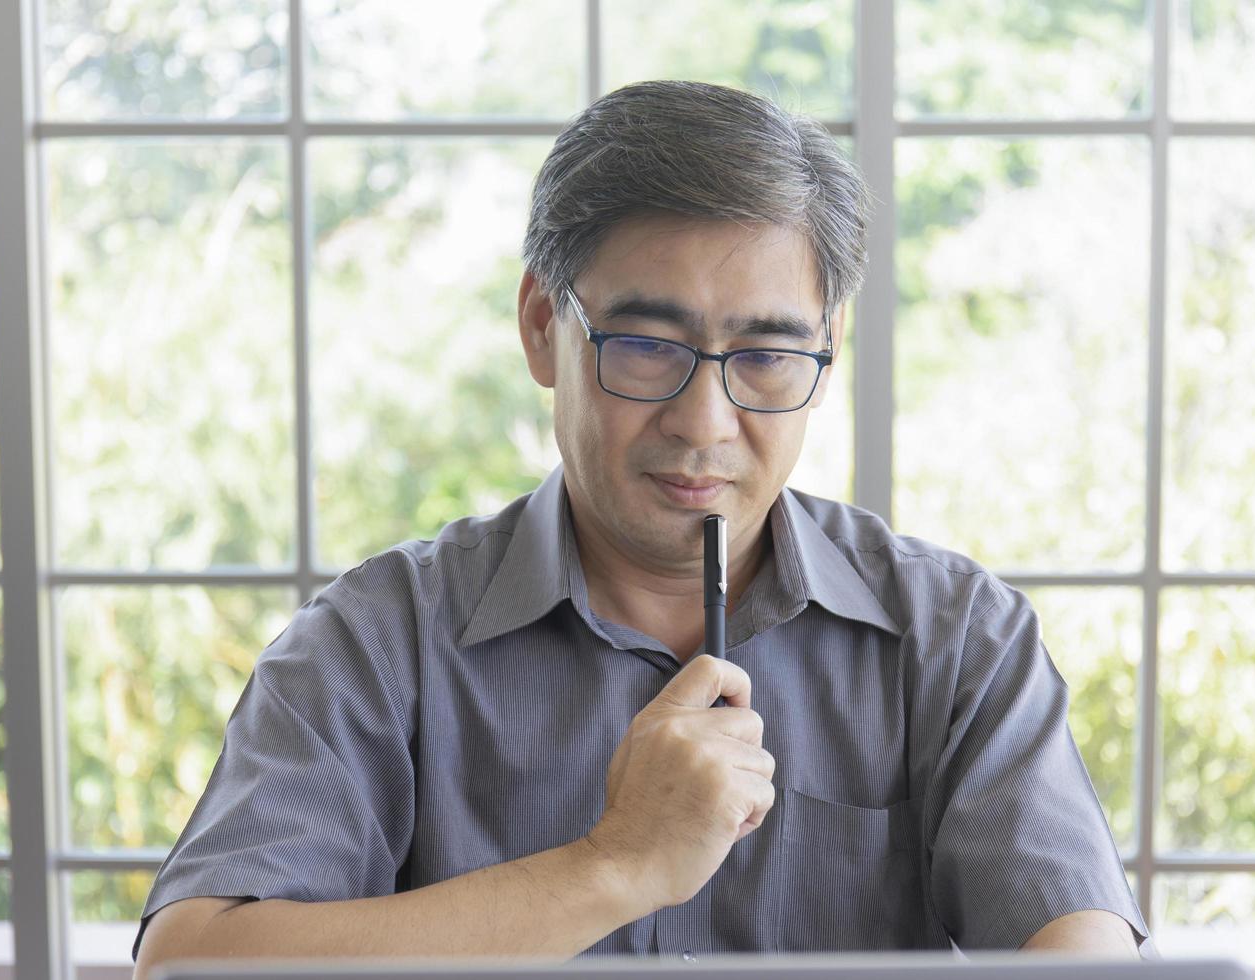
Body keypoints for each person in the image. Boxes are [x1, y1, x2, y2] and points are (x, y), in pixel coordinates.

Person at [132, 79, 1152, 974]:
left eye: (765, 356)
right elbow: (190, 962)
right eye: (645, 344)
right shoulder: (378, 640)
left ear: (827, 348)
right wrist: (615, 865)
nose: (703, 425)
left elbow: (1084, 950)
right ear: (543, 327)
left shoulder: (952, 634)